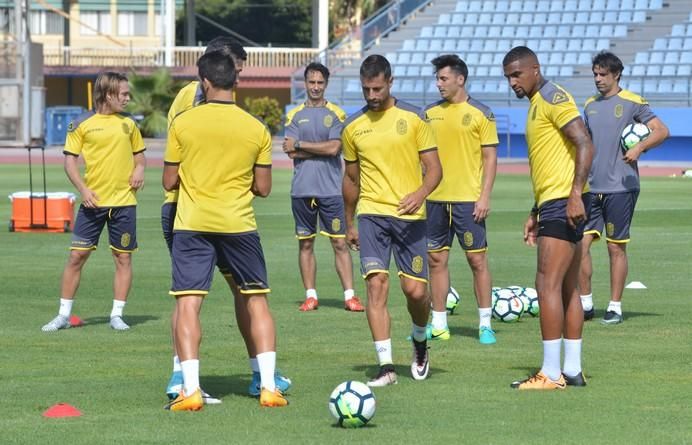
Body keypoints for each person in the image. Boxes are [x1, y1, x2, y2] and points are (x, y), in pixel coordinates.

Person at [162, 36, 290, 402]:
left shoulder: (184, 124)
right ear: (236, 80)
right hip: (238, 223)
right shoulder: (256, 128)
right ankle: (268, 387)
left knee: (188, 302)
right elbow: (263, 188)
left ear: (205, 81)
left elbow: (169, 180)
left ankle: (189, 388)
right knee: (256, 300)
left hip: (192, 222)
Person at [342, 55, 442, 387]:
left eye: (377, 88)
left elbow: (435, 169)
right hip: (371, 215)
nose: (371, 95)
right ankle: (385, 366)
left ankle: (418, 339)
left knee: (415, 292)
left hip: (409, 216)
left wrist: (421, 192)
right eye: (366, 88)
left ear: (390, 82)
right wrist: (349, 222)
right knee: (375, 285)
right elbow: (352, 180)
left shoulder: (414, 118)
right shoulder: (353, 127)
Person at [502, 46, 594, 390]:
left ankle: (550, 373)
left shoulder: (553, 97)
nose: (512, 82)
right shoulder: (537, 103)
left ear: (534, 70)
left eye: (517, 74)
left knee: (546, 284)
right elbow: (550, 162)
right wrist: (535, 210)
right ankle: (571, 370)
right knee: (568, 289)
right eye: (508, 77)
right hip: (554, 203)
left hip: (564, 202)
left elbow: (585, 143)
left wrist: (573, 195)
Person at [42, 72, 145, 333]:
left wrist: (139, 170)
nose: (127, 98)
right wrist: (84, 190)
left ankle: (117, 315)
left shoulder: (129, 124)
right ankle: (63, 315)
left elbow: (140, 157)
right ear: (108, 94)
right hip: (92, 204)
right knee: (77, 256)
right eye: (123, 94)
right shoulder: (81, 123)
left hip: (124, 203)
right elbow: (69, 162)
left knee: (123, 259)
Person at [579, 50, 669, 325]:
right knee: (580, 246)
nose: (598, 79)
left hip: (621, 187)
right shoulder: (589, 105)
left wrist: (640, 147)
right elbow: (585, 144)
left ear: (616, 74)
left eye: (603, 74)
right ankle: (585, 303)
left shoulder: (633, 102)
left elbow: (661, 130)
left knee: (615, 248)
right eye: (595, 74)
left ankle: (615, 306)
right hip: (591, 187)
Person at [423, 54, 499, 344]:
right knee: (436, 260)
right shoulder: (428, 113)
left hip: (469, 201)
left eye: (443, 78)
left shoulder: (481, 113)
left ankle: (484, 325)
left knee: (477, 262)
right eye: (437, 79)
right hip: (435, 200)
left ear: (460, 79)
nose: (438, 84)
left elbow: (490, 158)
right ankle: (439, 323)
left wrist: (484, 196)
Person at [282, 62, 364, 313]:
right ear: (304, 83)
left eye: (320, 83)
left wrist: (302, 146)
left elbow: (334, 148)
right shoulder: (294, 115)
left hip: (331, 191)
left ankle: (350, 296)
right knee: (305, 244)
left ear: (326, 84)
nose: (315, 87)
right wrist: (315, 149)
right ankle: (311, 296)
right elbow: (289, 151)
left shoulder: (337, 114)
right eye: (311, 82)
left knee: (340, 244)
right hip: (302, 191)